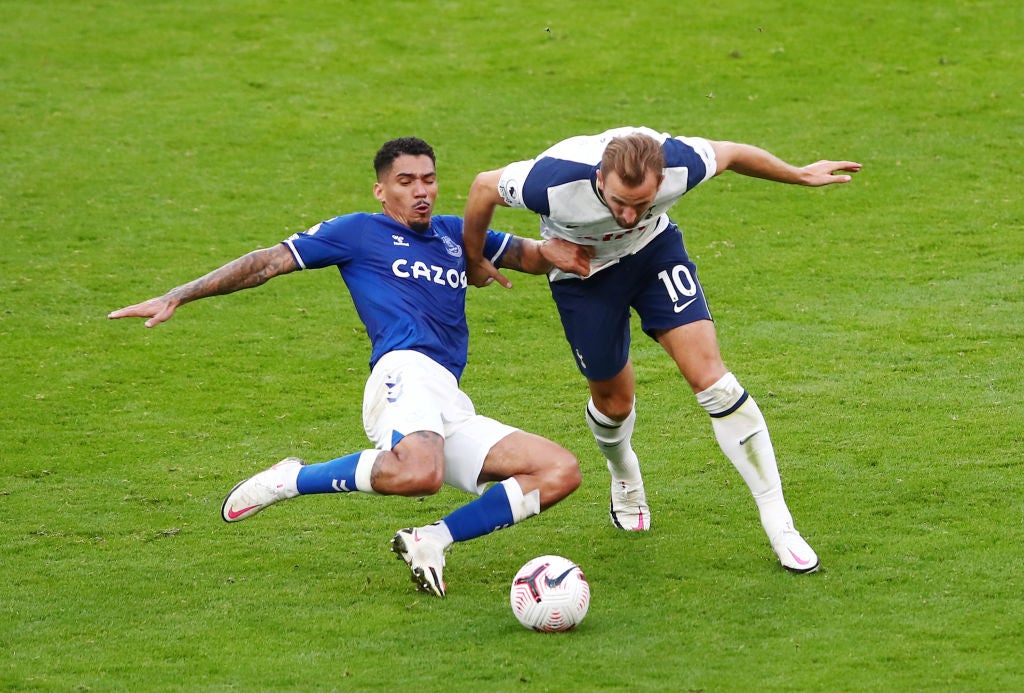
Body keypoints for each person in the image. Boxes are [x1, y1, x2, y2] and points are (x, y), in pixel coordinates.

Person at [109, 137, 588, 597]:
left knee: (557, 471)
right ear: (381, 190)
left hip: (446, 394)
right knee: (419, 474)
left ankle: (431, 540)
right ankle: (291, 479)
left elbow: (534, 257)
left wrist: (566, 250)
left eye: (429, 179)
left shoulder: (454, 235)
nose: (420, 191)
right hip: (402, 371)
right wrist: (179, 294)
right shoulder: (358, 232)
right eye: (405, 181)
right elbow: (266, 263)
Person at [461, 126, 862, 573]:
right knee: (614, 403)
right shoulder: (551, 181)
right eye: (618, 203)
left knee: (716, 384)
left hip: (655, 256)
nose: (629, 216)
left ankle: (780, 523)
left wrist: (800, 176)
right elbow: (483, 186)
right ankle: (624, 475)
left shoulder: (678, 164)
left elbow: (730, 153)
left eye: (642, 204)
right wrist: (476, 257)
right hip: (585, 275)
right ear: (598, 180)